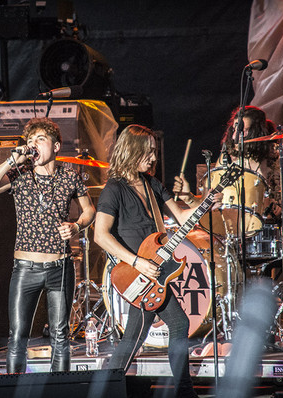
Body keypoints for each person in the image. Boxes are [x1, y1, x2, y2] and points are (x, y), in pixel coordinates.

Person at [94, 124, 218, 398]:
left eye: (154, 151)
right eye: (148, 152)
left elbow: (184, 217)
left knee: (151, 333)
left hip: (155, 271)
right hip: (135, 273)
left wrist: (206, 202)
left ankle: (178, 390)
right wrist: (137, 262)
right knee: (150, 333)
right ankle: (180, 392)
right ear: (132, 151)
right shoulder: (114, 189)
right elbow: (100, 235)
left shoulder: (152, 184)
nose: (154, 157)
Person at [173, 105, 283, 332]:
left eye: (242, 129)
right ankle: (234, 324)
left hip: (278, 232)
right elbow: (210, 204)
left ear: (259, 131)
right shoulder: (227, 160)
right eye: (233, 129)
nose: (235, 135)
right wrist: (190, 199)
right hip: (237, 235)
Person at [0, 117, 95, 373]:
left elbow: (89, 211)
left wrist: (76, 226)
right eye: (30, 140)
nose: (33, 144)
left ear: (56, 146)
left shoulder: (69, 176)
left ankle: (60, 389)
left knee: (60, 336)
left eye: (40, 139)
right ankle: (15, 386)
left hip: (60, 266)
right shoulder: (19, 174)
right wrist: (11, 161)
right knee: (18, 335)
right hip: (25, 269)